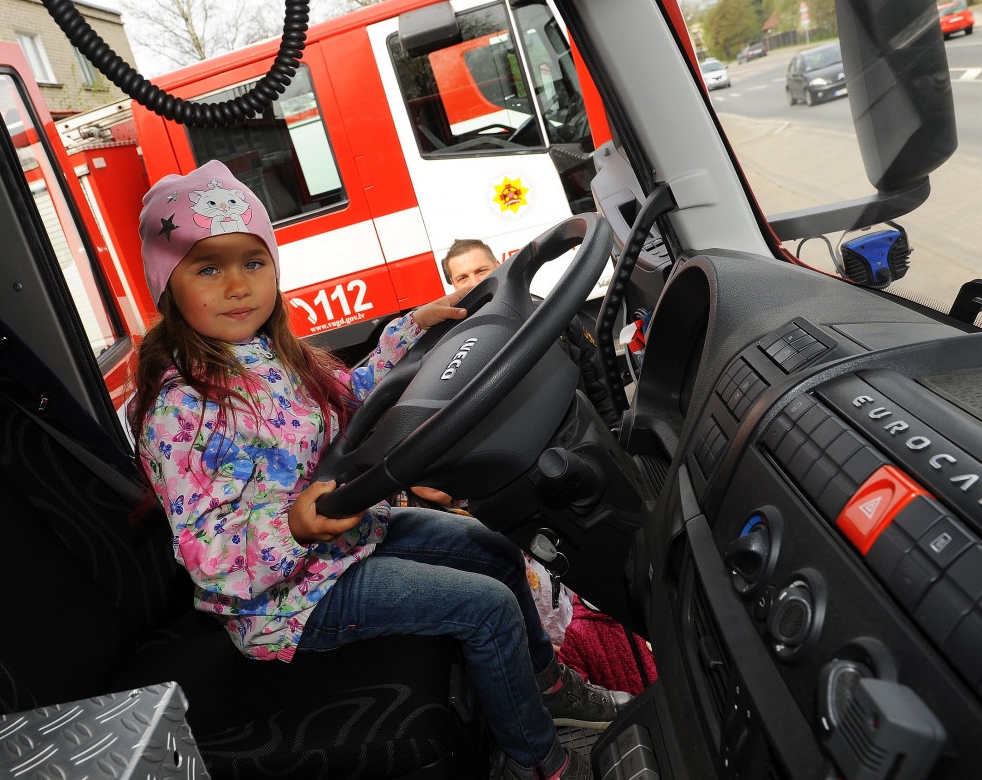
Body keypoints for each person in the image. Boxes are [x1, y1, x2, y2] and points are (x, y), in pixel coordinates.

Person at [130, 161, 628, 780]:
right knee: (487, 606)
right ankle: (541, 763)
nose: (238, 286)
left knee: (491, 546)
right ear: (167, 286)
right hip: (286, 600)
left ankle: (549, 688)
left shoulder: (270, 356)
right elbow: (208, 554)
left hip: (347, 541)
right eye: (209, 269)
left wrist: (412, 330)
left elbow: (357, 405)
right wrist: (292, 528)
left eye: (253, 263)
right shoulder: (179, 410)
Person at [442, 239, 620, 429]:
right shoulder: (453, 348)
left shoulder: (552, 313)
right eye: (463, 278)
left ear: (498, 266)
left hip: (579, 433)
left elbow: (597, 384)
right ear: (453, 284)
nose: (475, 283)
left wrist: (613, 432)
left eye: (481, 271)